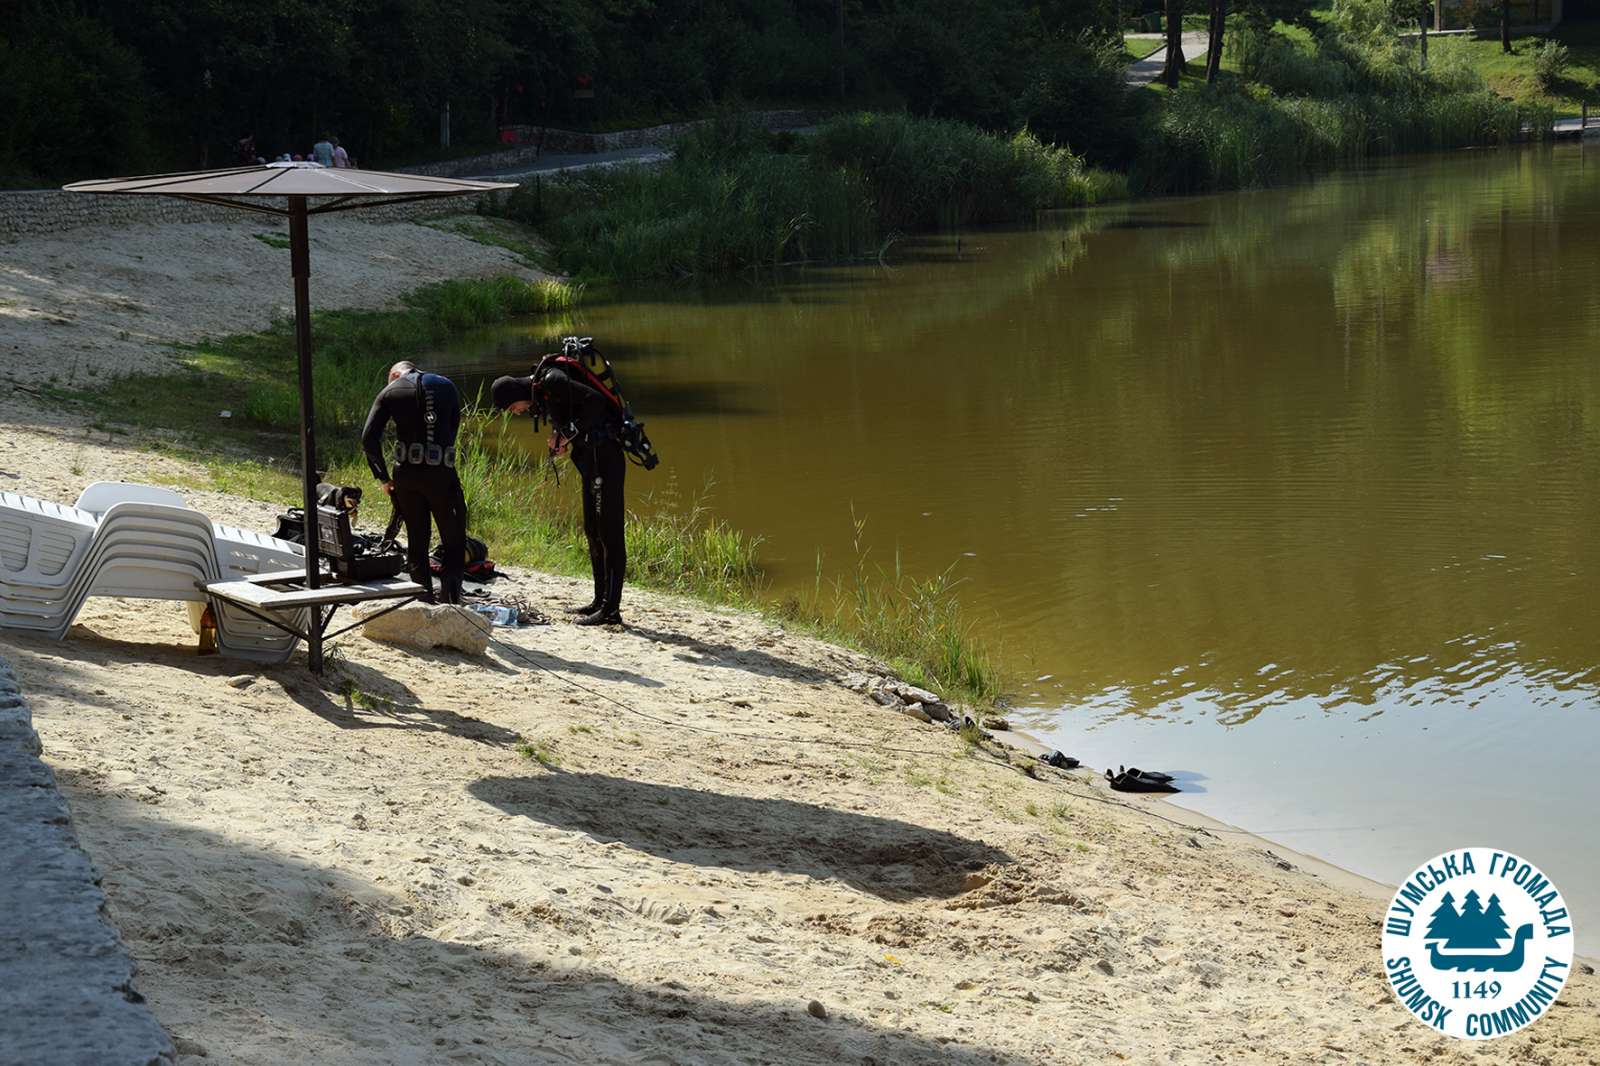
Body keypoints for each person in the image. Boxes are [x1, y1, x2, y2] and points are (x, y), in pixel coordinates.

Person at [492, 365, 627, 625]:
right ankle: (599, 601)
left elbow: (595, 403)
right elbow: (576, 417)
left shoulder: (552, 381)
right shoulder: (543, 396)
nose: (515, 412)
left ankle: (611, 610)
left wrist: (564, 435)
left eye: (511, 407)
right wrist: (562, 438)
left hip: (607, 459)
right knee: (592, 530)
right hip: (591, 461)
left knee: (609, 533)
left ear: (516, 395)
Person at [362, 361, 467, 604]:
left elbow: (369, 438)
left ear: (395, 374)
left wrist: (383, 477)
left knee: (417, 537)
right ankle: (450, 600)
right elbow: (453, 426)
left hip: (406, 475)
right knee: (453, 538)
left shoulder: (390, 391)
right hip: (441, 473)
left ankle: (421, 598)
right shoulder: (446, 385)